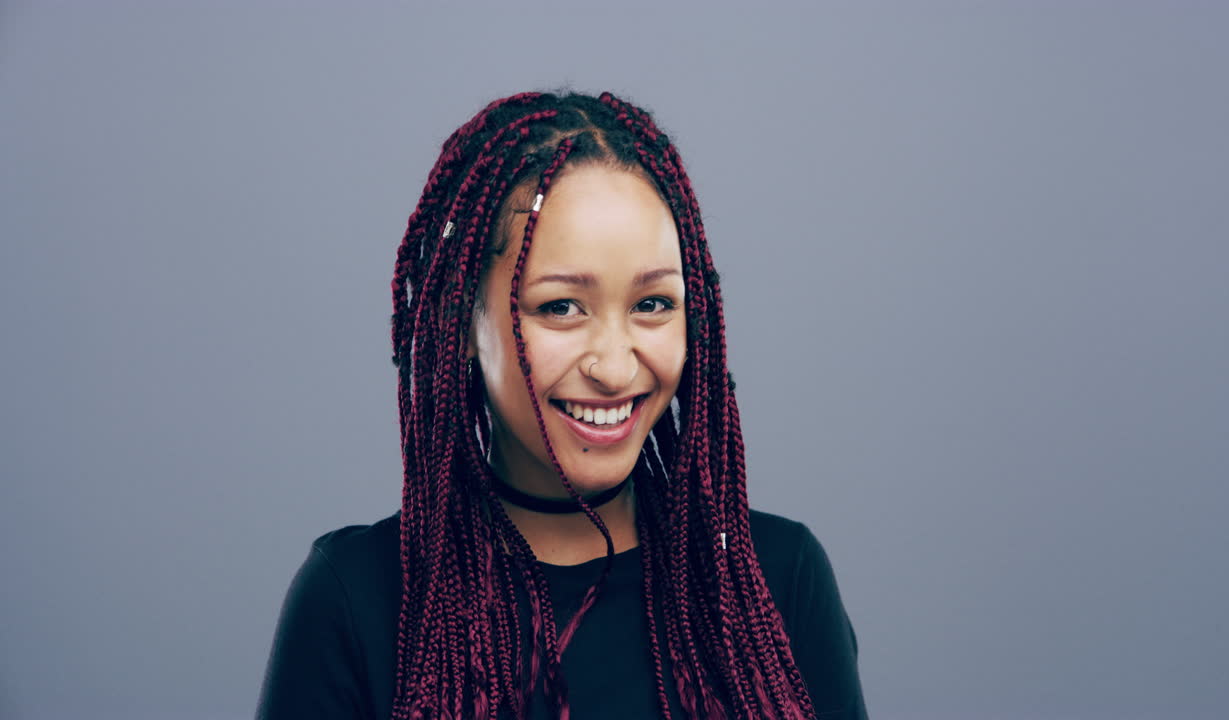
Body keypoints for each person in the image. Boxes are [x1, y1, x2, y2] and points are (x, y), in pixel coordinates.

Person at [256, 90, 869, 720]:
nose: (614, 366)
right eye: (560, 308)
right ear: (462, 320)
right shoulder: (357, 597)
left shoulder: (775, 580)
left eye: (653, 304)